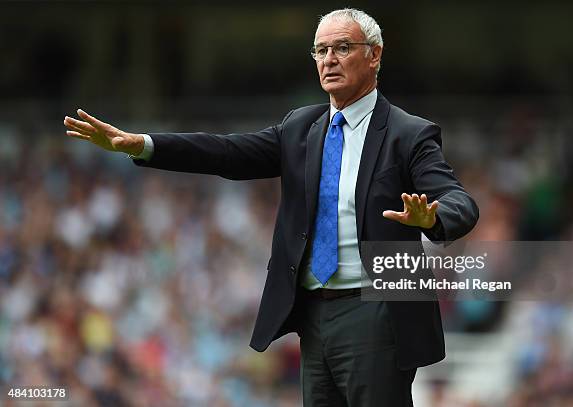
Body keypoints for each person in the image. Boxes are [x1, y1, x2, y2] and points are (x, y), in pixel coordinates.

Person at [64, 8, 478, 406]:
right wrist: (143, 144)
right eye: (321, 50)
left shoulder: (409, 134)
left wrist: (433, 216)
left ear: (374, 55)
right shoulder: (301, 127)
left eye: (342, 48)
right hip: (313, 316)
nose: (329, 60)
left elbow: (460, 201)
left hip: (376, 310)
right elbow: (225, 152)